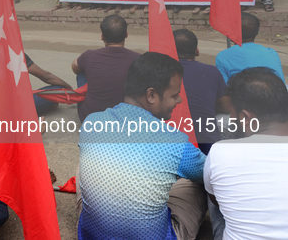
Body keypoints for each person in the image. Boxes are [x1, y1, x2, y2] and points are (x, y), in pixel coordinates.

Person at [78, 52, 207, 240]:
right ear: (151, 95)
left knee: (83, 167)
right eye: (175, 94)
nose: (179, 100)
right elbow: (210, 173)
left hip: (93, 236)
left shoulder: (92, 122)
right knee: (200, 183)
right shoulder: (174, 142)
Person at [204, 67, 288, 240]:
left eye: (232, 114)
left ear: (246, 118)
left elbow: (216, 201)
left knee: (213, 187)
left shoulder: (220, 152)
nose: (231, 120)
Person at [71, 15, 140, 122]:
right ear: (126, 35)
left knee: (81, 72)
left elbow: (74, 66)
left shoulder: (89, 55)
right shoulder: (138, 59)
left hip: (90, 119)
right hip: (126, 119)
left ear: (102, 36)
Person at [173, 29, 226, 154]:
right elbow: (226, 107)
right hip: (208, 146)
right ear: (197, 50)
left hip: (171, 147)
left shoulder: (161, 73)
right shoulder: (212, 71)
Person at [216, 12, 284, 83]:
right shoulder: (272, 53)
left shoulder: (223, 56)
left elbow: (223, 89)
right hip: (277, 93)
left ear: (231, 33)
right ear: (257, 32)